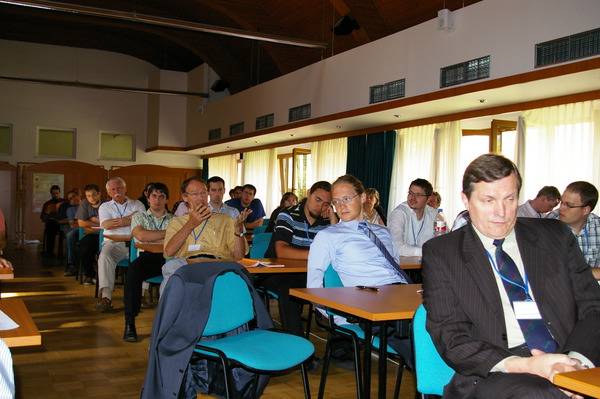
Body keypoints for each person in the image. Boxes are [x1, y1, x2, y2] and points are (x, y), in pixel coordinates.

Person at [422, 153, 600, 399]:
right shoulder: (443, 253)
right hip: (499, 369)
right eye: (488, 200)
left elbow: (593, 307)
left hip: (571, 354)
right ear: (466, 199)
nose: (501, 212)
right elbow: (451, 337)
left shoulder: (556, 237)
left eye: (510, 199)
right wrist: (527, 365)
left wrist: (575, 365)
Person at [307, 174, 412, 366]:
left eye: (347, 199)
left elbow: (395, 268)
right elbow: (313, 286)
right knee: (423, 343)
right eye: (336, 202)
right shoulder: (328, 236)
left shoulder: (383, 231)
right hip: (373, 302)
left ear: (363, 197)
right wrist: (341, 319)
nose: (341, 206)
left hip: (403, 294)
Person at [262, 181, 336, 337]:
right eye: (317, 199)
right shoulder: (287, 214)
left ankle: (340, 344)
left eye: (326, 204)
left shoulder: (326, 220)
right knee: (289, 288)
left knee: (338, 285)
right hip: (278, 272)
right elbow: (282, 251)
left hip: (309, 273)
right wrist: (317, 254)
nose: (320, 206)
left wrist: (334, 220)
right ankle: (298, 344)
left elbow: (336, 251)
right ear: (308, 193)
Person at [160, 177, 249, 291]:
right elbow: (169, 252)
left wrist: (238, 232)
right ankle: (169, 308)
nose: (200, 198)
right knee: (171, 269)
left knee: (239, 273)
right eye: (195, 194)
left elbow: (238, 257)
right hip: (187, 264)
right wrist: (190, 224)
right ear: (185, 197)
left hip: (218, 264)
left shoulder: (226, 220)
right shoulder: (177, 222)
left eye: (203, 193)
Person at [123, 183, 174, 343]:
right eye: (154, 196)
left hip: (169, 257)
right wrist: (167, 235)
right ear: (148, 198)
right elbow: (142, 236)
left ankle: (171, 326)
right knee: (133, 272)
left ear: (167, 199)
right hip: (148, 258)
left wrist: (154, 236)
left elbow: (179, 239)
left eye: (161, 196)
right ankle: (130, 323)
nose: (157, 200)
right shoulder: (139, 216)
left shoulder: (175, 219)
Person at [95, 177, 145, 312]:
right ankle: (106, 297)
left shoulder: (137, 204)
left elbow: (141, 222)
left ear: (125, 189)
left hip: (135, 243)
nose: (116, 191)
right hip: (113, 243)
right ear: (108, 192)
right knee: (104, 256)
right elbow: (106, 225)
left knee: (145, 257)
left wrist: (117, 222)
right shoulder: (105, 206)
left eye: (119, 188)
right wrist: (129, 219)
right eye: (113, 189)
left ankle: (141, 295)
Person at [547, 181, 600, 279]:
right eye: (561, 202)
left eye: (568, 205)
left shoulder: (597, 226)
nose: (561, 208)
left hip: (591, 291)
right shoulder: (549, 223)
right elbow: (552, 271)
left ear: (586, 210)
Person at [388, 178, 437, 256]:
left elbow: (445, 240)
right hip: (403, 265)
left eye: (418, 195)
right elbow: (395, 246)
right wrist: (425, 252)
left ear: (428, 199)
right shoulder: (399, 213)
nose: (412, 198)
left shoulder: (434, 214)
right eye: (410, 193)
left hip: (429, 263)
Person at [76, 184, 107, 285]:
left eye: (93, 195)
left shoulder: (107, 204)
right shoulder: (85, 204)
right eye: (88, 196)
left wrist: (90, 220)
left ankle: (105, 278)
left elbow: (112, 223)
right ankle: (90, 275)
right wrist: (100, 223)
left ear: (99, 194)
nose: (91, 198)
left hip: (106, 235)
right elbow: (81, 223)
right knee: (84, 249)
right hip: (91, 234)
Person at [56, 190, 81, 276]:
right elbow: (72, 224)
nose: (73, 199)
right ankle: (72, 265)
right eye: (70, 199)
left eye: (74, 196)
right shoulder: (70, 210)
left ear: (79, 195)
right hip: (77, 230)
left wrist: (77, 221)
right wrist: (84, 222)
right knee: (70, 235)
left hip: (89, 230)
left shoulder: (88, 205)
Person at [40, 184, 65, 258]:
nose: (55, 195)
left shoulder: (64, 202)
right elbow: (43, 218)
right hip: (53, 222)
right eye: (53, 193)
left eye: (57, 193)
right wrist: (47, 213)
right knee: (51, 226)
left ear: (59, 193)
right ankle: (49, 252)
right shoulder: (47, 204)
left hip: (64, 222)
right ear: (51, 194)